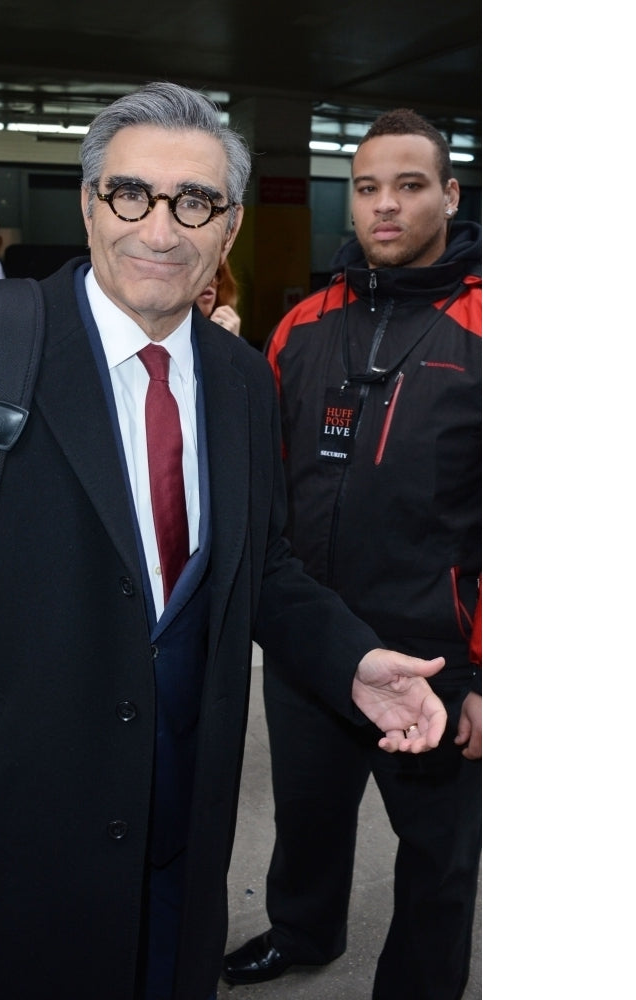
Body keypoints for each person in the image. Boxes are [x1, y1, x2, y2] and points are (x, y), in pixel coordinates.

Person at [0, 83, 451, 1000]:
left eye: (194, 202)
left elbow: (261, 565)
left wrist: (353, 661)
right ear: (87, 203)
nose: (160, 229)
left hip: (186, 811)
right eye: (131, 194)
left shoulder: (239, 378)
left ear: (228, 229)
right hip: (17, 813)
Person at [222, 108, 481, 1000]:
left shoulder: (491, 329)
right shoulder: (300, 326)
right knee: (308, 810)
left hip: (437, 649)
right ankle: (302, 930)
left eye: (410, 186)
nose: (385, 206)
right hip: (310, 641)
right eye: (367, 186)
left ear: (449, 195)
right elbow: (263, 480)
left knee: (440, 850)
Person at [195, 259, 241, 336]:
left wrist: (231, 342)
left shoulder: (233, 336)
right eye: (200, 272)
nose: (212, 280)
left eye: (216, 272)